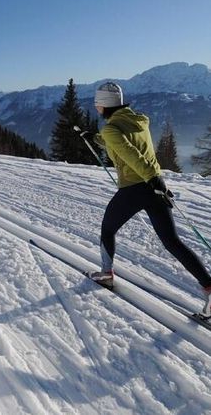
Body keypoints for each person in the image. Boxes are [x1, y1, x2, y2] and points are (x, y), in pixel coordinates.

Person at [86, 82, 211, 319]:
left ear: (103, 105)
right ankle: (210, 289)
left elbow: (129, 153)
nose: (96, 109)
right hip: (155, 188)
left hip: (136, 187)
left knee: (107, 229)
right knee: (172, 241)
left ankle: (106, 274)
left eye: (97, 104)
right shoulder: (137, 121)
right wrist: (95, 137)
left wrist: (151, 178)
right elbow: (124, 144)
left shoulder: (111, 129)